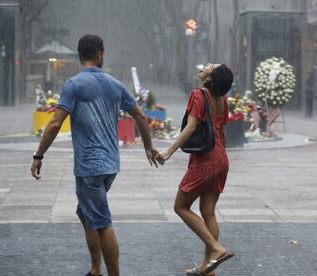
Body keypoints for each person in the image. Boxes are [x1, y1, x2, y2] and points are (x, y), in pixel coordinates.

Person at [30, 34, 159, 276]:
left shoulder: (74, 85)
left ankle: (112, 274)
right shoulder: (114, 84)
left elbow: (55, 123)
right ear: (100, 53)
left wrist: (39, 155)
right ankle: (95, 268)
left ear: (80, 55)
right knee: (85, 213)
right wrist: (148, 147)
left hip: (89, 166)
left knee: (101, 221)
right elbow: (140, 116)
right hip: (111, 165)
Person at [157, 63, 234, 275]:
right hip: (221, 159)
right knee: (208, 212)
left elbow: (191, 127)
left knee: (180, 206)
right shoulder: (222, 100)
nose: (206, 65)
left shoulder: (199, 95)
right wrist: (221, 159)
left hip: (206, 159)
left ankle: (216, 249)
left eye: (211, 66)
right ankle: (208, 269)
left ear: (210, 77)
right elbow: (223, 133)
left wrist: (168, 151)